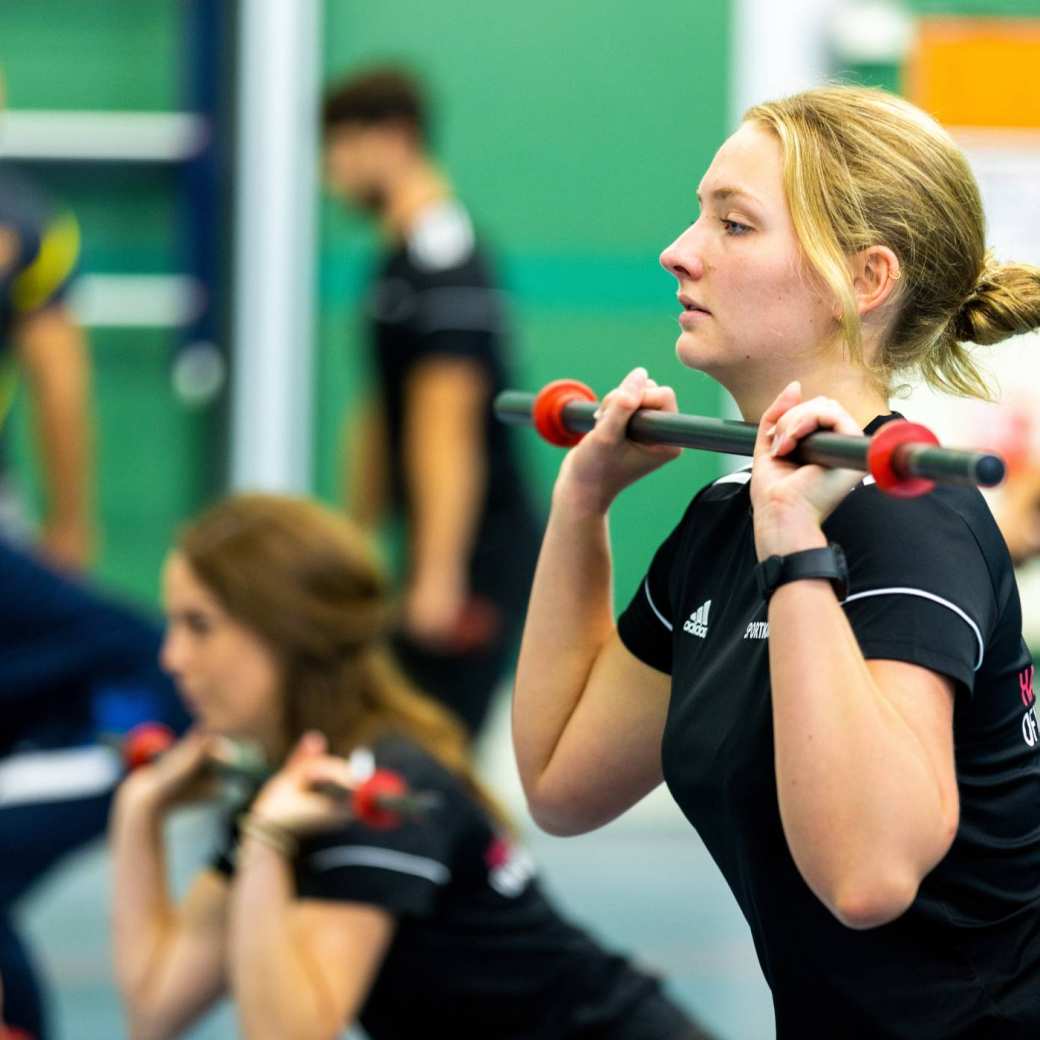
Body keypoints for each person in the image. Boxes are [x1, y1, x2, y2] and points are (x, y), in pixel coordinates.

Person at [511, 85, 1040, 1039]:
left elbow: (867, 876)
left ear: (864, 278)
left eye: (735, 224)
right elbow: (560, 780)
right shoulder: (729, 521)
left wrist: (796, 548)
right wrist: (582, 503)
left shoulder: (916, 523)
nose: (681, 250)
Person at [109, 493, 711, 1040]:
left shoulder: (379, 787)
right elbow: (156, 1008)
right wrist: (139, 813)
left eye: (198, 626)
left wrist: (265, 842)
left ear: (286, 631)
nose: (173, 657)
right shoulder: (293, 788)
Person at [321, 67, 540, 737]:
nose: (328, 172)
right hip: (429, 549)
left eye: (337, 146)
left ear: (394, 137)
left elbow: (447, 425)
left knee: (427, 761)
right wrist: (356, 538)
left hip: (473, 559)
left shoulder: (444, 259)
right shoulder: (399, 258)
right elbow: (381, 412)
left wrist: (439, 577)